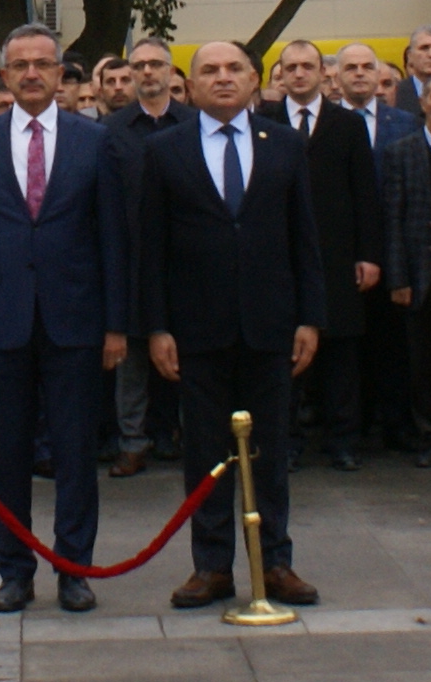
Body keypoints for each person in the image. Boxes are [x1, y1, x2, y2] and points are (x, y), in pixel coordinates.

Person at [0, 21, 133, 612]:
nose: (31, 73)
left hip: (75, 320)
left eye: (42, 64)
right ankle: (14, 569)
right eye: (19, 65)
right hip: (0, 321)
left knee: (76, 450)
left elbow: (113, 238)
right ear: (4, 76)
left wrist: (115, 324)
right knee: (6, 454)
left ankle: (73, 567)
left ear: (60, 75)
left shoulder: (92, 140)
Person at [134, 42, 324, 607]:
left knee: (270, 446)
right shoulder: (164, 150)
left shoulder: (287, 145)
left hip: (271, 324)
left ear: (256, 81)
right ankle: (211, 565)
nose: (222, 79)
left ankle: (276, 562)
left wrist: (311, 317)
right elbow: (151, 246)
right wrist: (157, 327)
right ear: (186, 86)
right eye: (209, 71)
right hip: (196, 329)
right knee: (205, 451)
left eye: (234, 69)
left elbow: (305, 239)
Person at [263, 40, 383, 471]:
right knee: (285, 354)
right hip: (280, 255)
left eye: (307, 67)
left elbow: (366, 194)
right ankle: (288, 440)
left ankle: (342, 440)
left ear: (323, 73)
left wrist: (369, 254)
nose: (299, 74)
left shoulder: (346, 125)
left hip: (337, 254)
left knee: (340, 354)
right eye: (290, 67)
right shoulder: (264, 122)